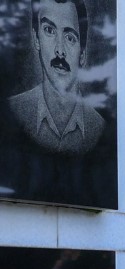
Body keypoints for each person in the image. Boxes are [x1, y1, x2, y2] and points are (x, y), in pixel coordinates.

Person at [7, 0, 104, 156]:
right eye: (49, 30)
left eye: (70, 37)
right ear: (36, 38)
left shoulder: (100, 129)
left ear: (82, 55)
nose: (60, 50)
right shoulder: (11, 113)